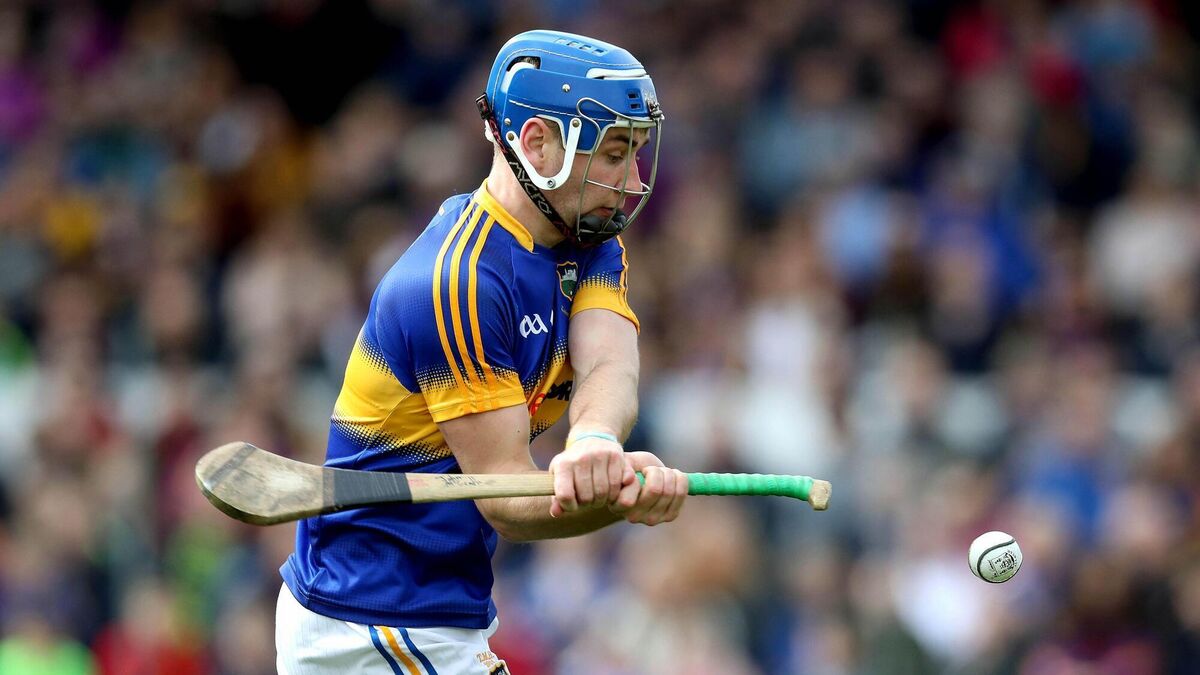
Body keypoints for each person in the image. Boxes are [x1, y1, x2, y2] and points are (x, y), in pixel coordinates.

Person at [276, 29, 687, 674]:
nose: (632, 180)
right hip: (370, 621)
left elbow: (608, 360)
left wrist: (594, 441)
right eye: (614, 154)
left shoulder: (583, 234)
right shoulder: (457, 283)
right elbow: (509, 500)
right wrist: (619, 499)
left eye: (635, 153)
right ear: (537, 144)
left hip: (431, 611)